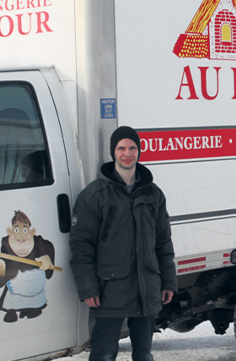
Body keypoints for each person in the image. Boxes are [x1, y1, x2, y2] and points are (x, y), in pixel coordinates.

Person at [69, 126, 177, 361]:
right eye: (121, 148)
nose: (127, 153)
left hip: (146, 289)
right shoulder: (95, 195)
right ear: (113, 152)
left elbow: (163, 243)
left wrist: (168, 281)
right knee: (104, 355)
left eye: (132, 148)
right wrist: (88, 288)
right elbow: (81, 246)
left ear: (139, 152)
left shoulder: (153, 194)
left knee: (144, 355)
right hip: (109, 292)